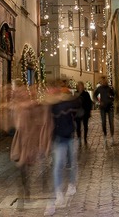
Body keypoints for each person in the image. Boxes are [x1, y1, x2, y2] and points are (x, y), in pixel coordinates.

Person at [43, 86, 81, 215]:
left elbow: (78, 104)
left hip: (69, 137)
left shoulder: (67, 103)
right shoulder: (51, 107)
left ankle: (71, 184)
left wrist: (67, 97)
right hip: (58, 139)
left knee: (71, 163)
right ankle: (59, 193)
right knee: (58, 166)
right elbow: (48, 123)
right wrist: (48, 142)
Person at [93, 76, 115, 146]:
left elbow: (115, 95)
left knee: (111, 123)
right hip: (102, 108)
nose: (103, 82)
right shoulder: (99, 88)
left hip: (110, 107)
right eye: (102, 81)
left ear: (106, 81)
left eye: (104, 80)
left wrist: (111, 98)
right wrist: (98, 102)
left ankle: (112, 137)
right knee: (103, 123)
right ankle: (105, 137)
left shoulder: (110, 88)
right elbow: (94, 96)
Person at [75, 81, 93, 146]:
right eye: (79, 85)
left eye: (81, 85)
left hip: (85, 112)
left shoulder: (86, 94)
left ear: (83, 86)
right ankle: (79, 138)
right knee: (78, 127)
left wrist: (89, 111)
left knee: (85, 126)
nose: (80, 87)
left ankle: (85, 138)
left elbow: (89, 103)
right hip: (77, 113)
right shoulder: (75, 93)